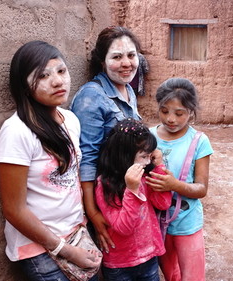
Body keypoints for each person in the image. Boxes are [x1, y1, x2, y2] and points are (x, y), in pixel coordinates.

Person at [0, 40, 101, 281]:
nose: (57, 81)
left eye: (61, 71)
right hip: (40, 248)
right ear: (23, 85)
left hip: (76, 233)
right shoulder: (16, 132)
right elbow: (13, 209)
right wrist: (65, 250)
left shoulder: (70, 120)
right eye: (43, 75)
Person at [70, 26, 142, 251]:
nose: (127, 63)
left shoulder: (127, 89)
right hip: (106, 199)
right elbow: (87, 159)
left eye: (131, 55)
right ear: (102, 61)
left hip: (126, 192)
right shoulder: (91, 97)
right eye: (117, 57)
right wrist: (92, 212)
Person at [146, 78, 214, 281]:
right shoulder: (149, 136)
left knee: (192, 275)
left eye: (179, 113)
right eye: (164, 111)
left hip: (187, 223)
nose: (171, 119)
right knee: (170, 273)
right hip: (156, 222)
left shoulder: (199, 141)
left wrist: (174, 186)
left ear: (191, 111)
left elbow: (201, 189)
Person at [95, 118, 172, 280]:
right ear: (124, 156)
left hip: (149, 257)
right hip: (120, 265)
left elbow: (163, 204)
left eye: (149, 156)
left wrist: (158, 168)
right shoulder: (106, 185)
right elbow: (124, 228)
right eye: (143, 156)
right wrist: (131, 190)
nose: (147, 162)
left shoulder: (145, 176)